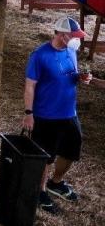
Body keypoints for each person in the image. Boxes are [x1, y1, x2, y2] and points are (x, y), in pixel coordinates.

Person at [23, 17, 93, 214]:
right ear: (62, 36)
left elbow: (70, 75)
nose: (78, 40)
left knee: (72, 149)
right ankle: (40, 191)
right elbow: (30, 86)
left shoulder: (71, 51)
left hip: (68, 112)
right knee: (46, 156)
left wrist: (80, 77)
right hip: (46, 115)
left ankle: (56, 182)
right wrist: (29, 113)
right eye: (74, 36)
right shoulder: (40, 55)